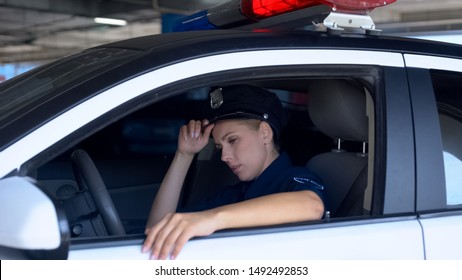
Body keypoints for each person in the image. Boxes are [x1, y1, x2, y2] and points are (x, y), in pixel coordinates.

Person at [142, 84, 326, 260]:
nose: (224, 157)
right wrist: (184, 155)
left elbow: (312, 206)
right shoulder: (235, 195)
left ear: (265, 133)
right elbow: (158, 229)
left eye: (232, 140)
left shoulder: (293, 179)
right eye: (220, 147)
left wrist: (212, 219)